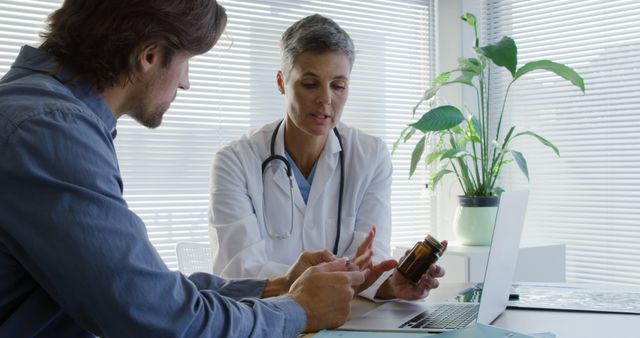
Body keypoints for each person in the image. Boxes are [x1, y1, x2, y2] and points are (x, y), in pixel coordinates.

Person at [0, 1, 372, 337]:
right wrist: (298, 311)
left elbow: (143, 289)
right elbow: (159, 318)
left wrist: (274, 287)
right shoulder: (49, 129)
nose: (185, 82)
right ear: (149, 56)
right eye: (186, 61)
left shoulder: (42, 112)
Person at [209, 14, 447, 301]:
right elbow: (237, 272)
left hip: (343, 321)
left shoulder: (371, 156)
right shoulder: (235, 161)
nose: (325, 100)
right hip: (264, 320)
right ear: (282, 82)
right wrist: (317, 281)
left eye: (338, 85)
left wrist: (390, 285)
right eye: (310, 84)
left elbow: (368, 265)